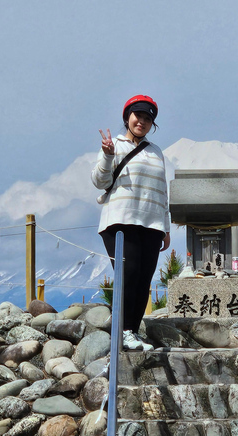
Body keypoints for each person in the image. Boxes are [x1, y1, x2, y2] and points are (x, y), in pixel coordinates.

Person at [92, 95, 170, 350]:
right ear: (127, 117)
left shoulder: (155, 151)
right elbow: (99, 182)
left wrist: (165, 227)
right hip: (120, 222)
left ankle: (131, 333)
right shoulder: (114, 144)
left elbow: (161, 190)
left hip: (151, 224)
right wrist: (106, 156)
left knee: (144, 278)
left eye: (148, 118)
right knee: (129, 274)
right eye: (138, 116)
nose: (142, 121)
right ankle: (122, 332)